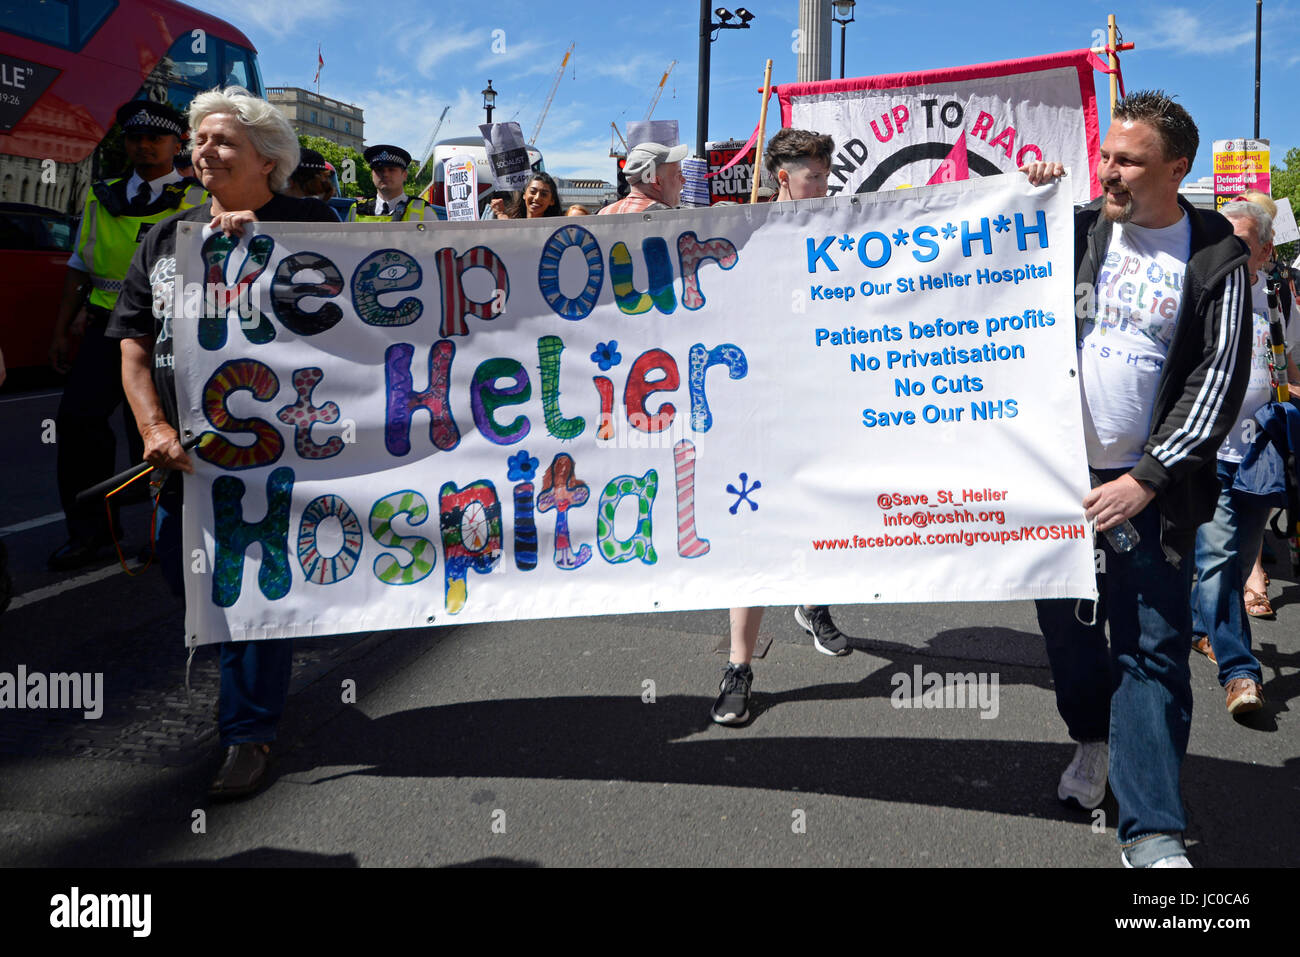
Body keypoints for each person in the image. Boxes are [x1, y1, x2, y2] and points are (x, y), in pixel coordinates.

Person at [1023, 90, 1252, 867]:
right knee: (1072, 641)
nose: (1109, 172)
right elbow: (991, 274)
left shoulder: (1216, 252)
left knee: (1151, 650)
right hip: (1059, 485)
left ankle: (1152, 829)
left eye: (1128, 160)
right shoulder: (1078, 225)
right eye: (1106, 157)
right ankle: (1092, 741)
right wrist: (1028, 194)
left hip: (1153, 495)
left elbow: (1217, 379)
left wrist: (1146, 478)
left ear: (1176, 168)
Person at [107, 86, 338, 799]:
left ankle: (248, 733)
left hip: (280, 462)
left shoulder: (316, 224)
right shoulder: (167, 238)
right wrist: (153, 426)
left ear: (268, 161)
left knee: (245, 594)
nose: (202, 151)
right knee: (195, 587)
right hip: (185, 463)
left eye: (221, 142)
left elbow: (362, 325)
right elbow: (133, 345)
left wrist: (266, 257)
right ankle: (252, 693)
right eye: (198, 140)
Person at [712, 128, 851, 727]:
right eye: (812, 176)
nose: (822, 185)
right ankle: (740, 666)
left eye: (826, 175)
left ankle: (814, 602)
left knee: (824, 512)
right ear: (782, 177)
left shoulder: (845, 227)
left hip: (823, 397)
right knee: (756, 533)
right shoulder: (748, 231)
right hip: (759, 406)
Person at [47, 100, 206, 571]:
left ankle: (168, 534)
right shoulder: (101, 194)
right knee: (77, 427)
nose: (143, 145)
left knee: (162, 432)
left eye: (156, 138)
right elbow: (79, 268)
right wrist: (61, 330)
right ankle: (91, 532)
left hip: (169, 335)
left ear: (178, 144)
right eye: (135, 137)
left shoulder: (198, 200)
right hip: (103, 331)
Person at [1188, 200, 1297, 714]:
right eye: (1222, 241)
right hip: (1210, 450)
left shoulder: (1280, 300)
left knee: (1233, 561)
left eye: (1243, 242)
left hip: (1261, 451)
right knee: (1216, 560)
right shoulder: (1201, 289)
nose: (1230, 251)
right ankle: (1240, 672)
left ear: (1266, 248)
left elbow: (1291, 367)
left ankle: (1196, 623)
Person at [598, 139, 687, 215]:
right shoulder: (669, 220)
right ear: (656, 182)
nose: (684, 180)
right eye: (678, 175)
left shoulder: (603, 213)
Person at [352, 144, 433, 221]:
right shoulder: (356, 210)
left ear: (404, 175)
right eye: (379, 170)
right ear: (372, 175)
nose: (385, 174)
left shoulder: (423, 210)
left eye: (391, 169)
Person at [489, 172, 564, 219]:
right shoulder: (512, 224)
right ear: (524, 195)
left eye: (544, 194)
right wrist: (500, 214)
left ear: (552, 201)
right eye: (532, 191)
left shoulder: (558, 231)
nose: (537, 198)